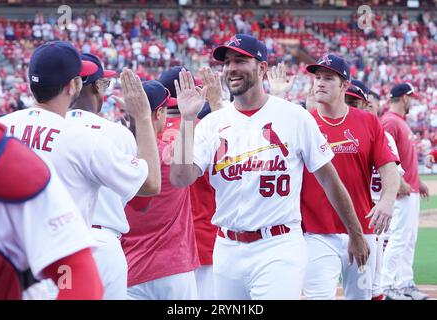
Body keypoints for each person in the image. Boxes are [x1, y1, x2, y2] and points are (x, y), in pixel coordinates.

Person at [170, 34, 369, 300]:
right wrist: (187, 120)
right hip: (227, 247)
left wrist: (355, 234)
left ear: (262, 67)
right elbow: (181, 178)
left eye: (240, 60)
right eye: (227, 62)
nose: (231, 68)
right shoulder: (211, 123)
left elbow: (330, 181)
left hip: (278, 245)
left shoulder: (294, 117)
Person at [0, 41, 160, 228]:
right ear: (73, 85)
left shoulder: (1, 127)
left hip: (7, 248)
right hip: (66, 247)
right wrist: (144, 117)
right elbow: (150, 184)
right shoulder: (85, 139)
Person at [302, 54, 400, 300]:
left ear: (344, 85)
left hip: (363, 229)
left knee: (362, 297)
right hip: (316, 231)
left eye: (328, 78)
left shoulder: (368, 121)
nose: (320, 83)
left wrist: (387, 200)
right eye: (317, 78)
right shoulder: (304, 123)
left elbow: (388, 166)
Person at [65, 53, 160, 299]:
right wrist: (141, 119)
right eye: (103, 83)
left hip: (56, 240)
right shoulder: (116, 134)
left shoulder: (49, 127)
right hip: (102, 242)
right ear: (96, 86)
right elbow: (146, 195)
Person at [0, 122, 103, 300]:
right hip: (79, 234)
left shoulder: (9, 159)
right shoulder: (88, 136)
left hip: (61, 240)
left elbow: (77, 273)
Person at [121, 80, 200, 300]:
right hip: (173, 266)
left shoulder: (115, 154)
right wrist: (187, 119)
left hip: (129, 267)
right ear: (159, 112)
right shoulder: (168, 153)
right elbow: (184, 171)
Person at [159, 65, 222, 300]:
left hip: (160, 245)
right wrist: (217, 104)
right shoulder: (207, 129)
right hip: (205, 239)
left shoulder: (145, 131)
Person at [346, 80, 406, 300]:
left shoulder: (381, 135)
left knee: (371, 284)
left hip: (369, 216)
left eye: (357, 103)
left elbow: (394, 177)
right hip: (335, 220)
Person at [380, 83, 430, 300]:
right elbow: (384, 153)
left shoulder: (400, 122)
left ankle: (404, 283)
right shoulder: (390, 121)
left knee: (408, 239)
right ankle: (387, 285)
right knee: (399, 238)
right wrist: (397, 181)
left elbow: (406, 158)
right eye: (411, 97)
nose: (413, 101)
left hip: (411, 187)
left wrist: (419, 181)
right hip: (401, 191)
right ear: (403, 98)